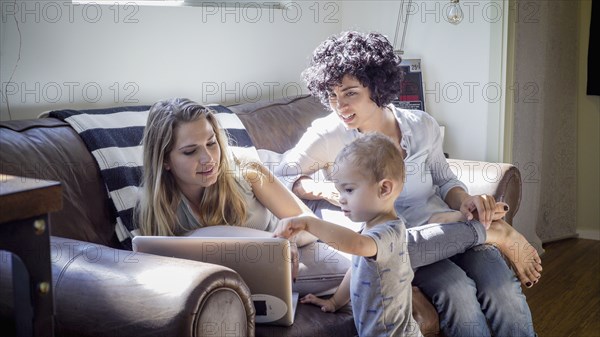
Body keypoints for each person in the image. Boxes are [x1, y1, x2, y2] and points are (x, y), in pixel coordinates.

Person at [274, 31, 541, 337]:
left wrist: (464, 200)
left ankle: (481, 230)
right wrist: (324, 190)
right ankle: (492, 231)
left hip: (446, 222)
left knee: (501, 287)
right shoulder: (329, 133)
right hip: (407, 241)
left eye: (350, 93)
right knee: (458, 292)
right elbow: (282, 173)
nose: (340, 106)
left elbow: (444, 180)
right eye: (332, 95)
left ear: (376, 86)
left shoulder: (420, 124)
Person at [135, 98, 316, 264]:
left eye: (212, 143)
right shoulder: (156, 205)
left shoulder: (246, 169)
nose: (208, 158)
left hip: (287, 258)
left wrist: (287, 241)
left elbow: (310, 226)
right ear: (164, 160)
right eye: (190, 151)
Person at [275, 133, 422, 337]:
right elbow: (355, 269)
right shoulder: (370, 228)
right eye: (340, 191)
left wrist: (309, 223)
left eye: (349, 190)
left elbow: (356, 245)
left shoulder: (389, 233)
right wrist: (335, 302)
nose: (341, 199)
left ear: (385, 189)